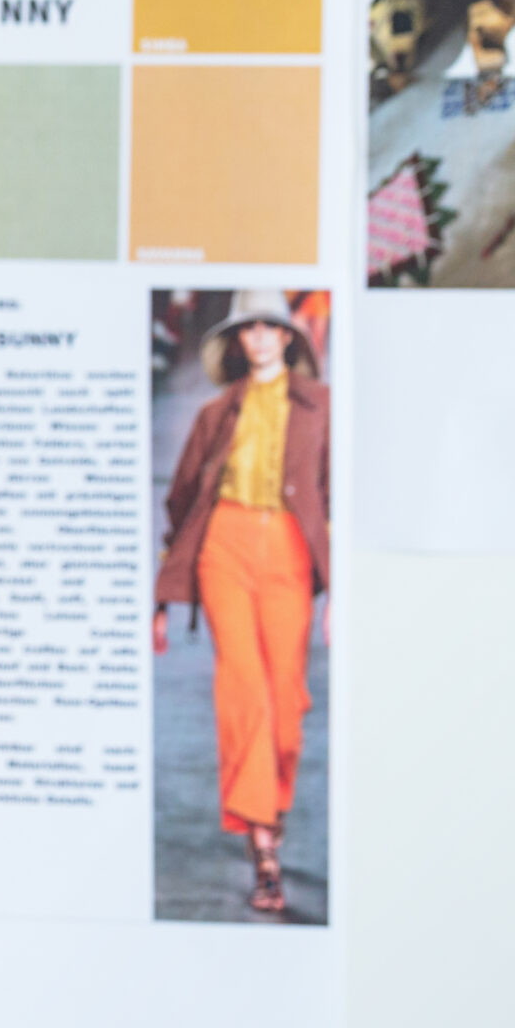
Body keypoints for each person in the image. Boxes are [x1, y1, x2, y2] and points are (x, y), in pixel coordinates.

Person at [151, 292, 331, 918]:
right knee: (244, 689)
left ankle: (270, 816)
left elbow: (334, 499)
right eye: (248, 328)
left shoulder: (321, 409)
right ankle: (264, 848)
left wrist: (340, 589)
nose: (258, 338)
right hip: (223, 546)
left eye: (268, 328)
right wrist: (163, 592)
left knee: (287, 701)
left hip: (289, 552)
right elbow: (181, 501)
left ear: (287, 338)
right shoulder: (213, 413)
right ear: (237, 341)